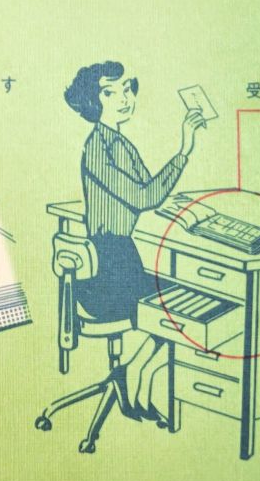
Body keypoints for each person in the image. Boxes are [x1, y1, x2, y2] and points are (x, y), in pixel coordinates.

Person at [62, 60, 208, 420]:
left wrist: (176, 204)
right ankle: (133, 375)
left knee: (176, 300)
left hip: (120, 258)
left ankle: (132, 374)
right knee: (178, 306)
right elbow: (144, 197)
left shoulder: (120, 143)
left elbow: (148, 190)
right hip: (107, 273)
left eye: (128, 89)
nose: (124, 98)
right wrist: (184, 150)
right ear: (93, 101)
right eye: (110, 92)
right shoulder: (98, 148)